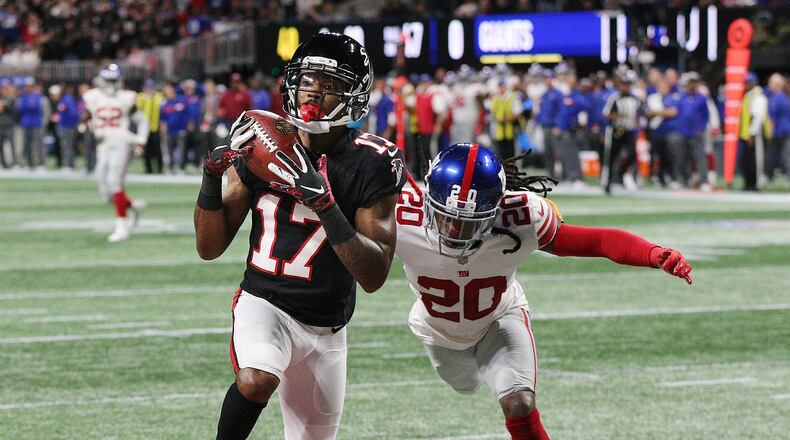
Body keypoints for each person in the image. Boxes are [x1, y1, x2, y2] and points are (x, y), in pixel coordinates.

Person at [394, 143, 692, 440]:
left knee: (519, 403)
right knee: (465, 385)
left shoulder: (521, 217)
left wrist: (653, 254)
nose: (454, 230)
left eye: (468, 222)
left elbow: (596, 241)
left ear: (496, 208)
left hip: (499, 319)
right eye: (446, 216)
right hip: (438, 332)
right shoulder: (399, 216)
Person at [194, 32, 406, 440]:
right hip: (264, 303)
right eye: (309, 81)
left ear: (355, 96)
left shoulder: (373, 161)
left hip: (327, 325)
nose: (314, 93)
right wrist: (210, 178)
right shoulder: (262, 144)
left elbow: (375, 274)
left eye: (331, 86)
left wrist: (325, 205)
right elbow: (209, 247)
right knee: (256, 379)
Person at [82, 64, 149, 242]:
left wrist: (141, 140)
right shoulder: (92, 97)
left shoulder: (126, 97)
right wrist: (85, 125)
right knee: (105, 191)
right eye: (108, 80)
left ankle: (122, 227)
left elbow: (142, 121)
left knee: (114, 183)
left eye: (114, 80)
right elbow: (87, 116)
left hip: (121, 142)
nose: (111, 84)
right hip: (102, 144)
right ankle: (132, 206)